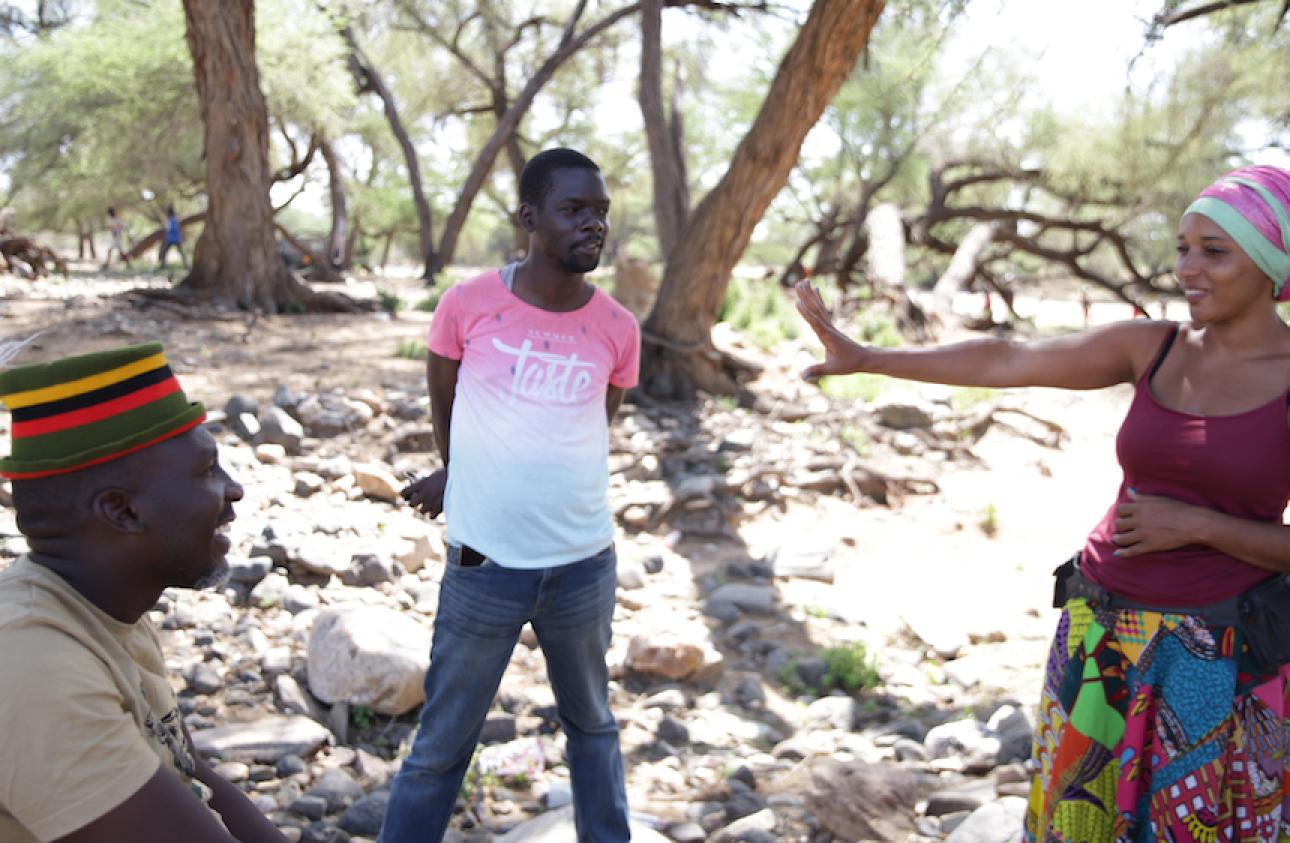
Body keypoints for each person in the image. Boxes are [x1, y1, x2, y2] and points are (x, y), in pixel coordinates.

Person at [795, 165, 1290, 841]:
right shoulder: (1153, 346)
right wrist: (870, 357)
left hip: (1215, 654)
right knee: (1077, 824)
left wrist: (1199, 525)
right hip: (1101, 635)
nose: (1186, 268)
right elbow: (1009, 359)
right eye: (1180, 247)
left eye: (1214, 251)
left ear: (1270, 262)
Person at [380, 148, 639, 843]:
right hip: (483, 563)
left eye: (601, 213)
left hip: (584, 564)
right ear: (529, 218)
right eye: (574, 209)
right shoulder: (468, 305)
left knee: (593, 724)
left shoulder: (617, 327)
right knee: (442, 744)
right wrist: (459, 473)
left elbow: (591, 422)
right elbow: (447, 404)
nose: (594, 225)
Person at [0, 341, 288, 843]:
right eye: (206, 471)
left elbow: (193, 774)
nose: (234, 489)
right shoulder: (34, 664)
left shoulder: (106, 608)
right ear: (123, 511)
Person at [159, 205, 189, 270]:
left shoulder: (171, 220)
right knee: (165, 252)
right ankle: (186, 266)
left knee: (163, 251)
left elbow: (170, 229)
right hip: (176, 238)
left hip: (171, 239)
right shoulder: (175, 219)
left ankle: (186, 266)